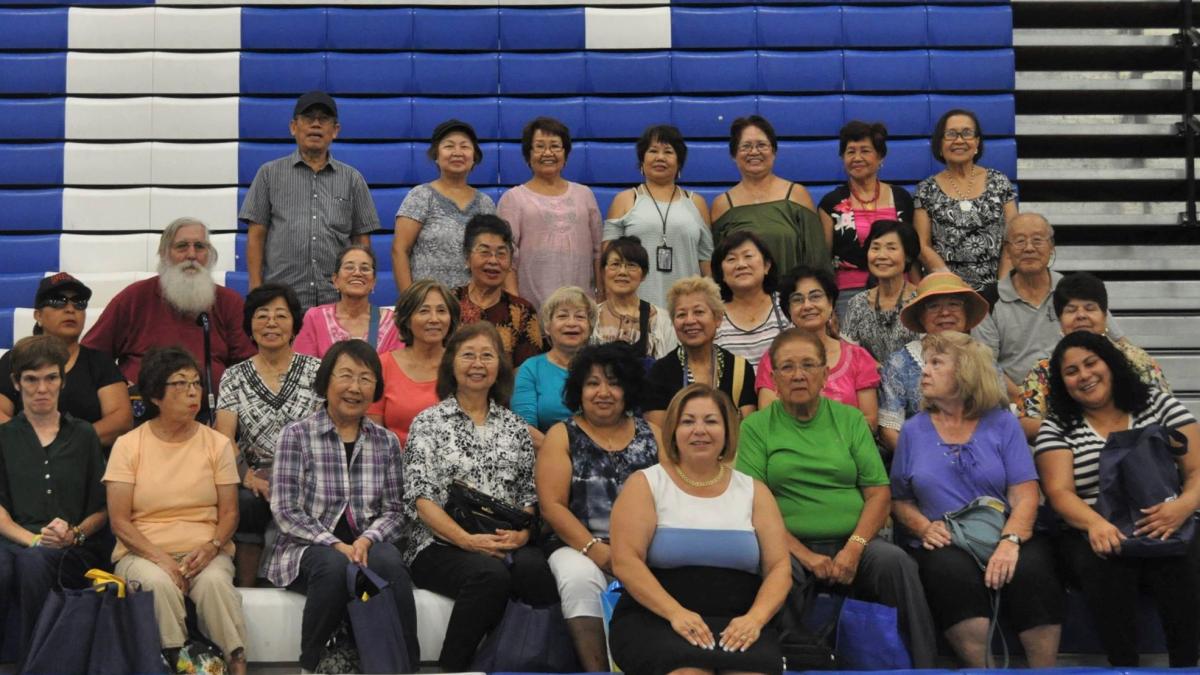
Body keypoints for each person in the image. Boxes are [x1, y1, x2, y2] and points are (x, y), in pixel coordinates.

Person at [738, 329, 937, 667]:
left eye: (808, 365)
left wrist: (854, 548)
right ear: (773, 378)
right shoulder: (757, 426)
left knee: (896, 563)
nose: (798, 375)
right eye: (787, 367)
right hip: (788, 544)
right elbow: (753, 504)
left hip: (853, 541)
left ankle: (922, 666)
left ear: (825, 373)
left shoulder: (849, 420)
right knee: (775, 570)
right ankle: (788, 664)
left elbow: (878, 493)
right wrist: (804, 555)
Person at [891, 331, 1062, 668]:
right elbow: (899, 501)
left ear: (966, 372)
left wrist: (1011, 540)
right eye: (926, 363)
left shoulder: (1003, 424)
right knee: (948, 568)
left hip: (1004, 530)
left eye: (936, 363)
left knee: (1034, 566)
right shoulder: (912, 430)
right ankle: (982, 668)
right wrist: (924, 527)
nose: (924, 371)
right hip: (945, 540)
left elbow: (1025, 493)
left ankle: (1045, 669)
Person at [1035, 330, 1200, 667]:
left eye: (1091, 363)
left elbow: (1197, 468)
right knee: (1107, 564)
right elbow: (1059, 492)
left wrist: (1181, 507)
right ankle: (1123, 666)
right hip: (1093, 524)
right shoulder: (1057, 425)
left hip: (1167, 515)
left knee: (1180, 560)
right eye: (1072, 371)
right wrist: (1095, 524)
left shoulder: (1156, 402)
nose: (1084, 375)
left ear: (1109, 363)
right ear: (1062, 382)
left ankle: (1186, 666)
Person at [402, 322, 559, 672]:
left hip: (505, 538)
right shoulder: (428, 422)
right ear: (451, 365)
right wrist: (467, 540)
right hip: (438, 544)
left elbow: (527, 494)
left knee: (538, 571)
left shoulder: (515, 426)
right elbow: (420, 497)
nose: (478, 363)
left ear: (499, 367)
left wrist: (522, 534)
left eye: (487, 356)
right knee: (489, 575)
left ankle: (521, 664)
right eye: (468, 355)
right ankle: (453, 669)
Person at [608, 384, 791, 674]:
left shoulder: (754, 491)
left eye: (711, 421)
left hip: (739, 621)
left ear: (728, 430)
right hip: (658, 618)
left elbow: (780, 567)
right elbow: (625, 562)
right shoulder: (646, 484)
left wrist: (755, 619)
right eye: (688, 421)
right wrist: (675, 613)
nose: (700, 430)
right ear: (673, 430)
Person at [267, 340, 419, 672]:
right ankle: (311, 664)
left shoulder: (386, 441)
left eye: (365, 379)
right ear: (326, 382)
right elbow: (285, 511)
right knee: (334, 568)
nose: (355, 387)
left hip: (367, 546)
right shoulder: (296, 435)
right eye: (346, 376)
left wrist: (365, 540)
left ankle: (406, 665)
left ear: (376, 388)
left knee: (391, 562)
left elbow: (396, 510)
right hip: (306, 549)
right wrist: (335, 544)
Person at [103, 347, 247, 673]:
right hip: (143, 552)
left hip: (204, 549)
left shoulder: (217, 444)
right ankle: (174, 662)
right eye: (180, 384)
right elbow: (120, 521)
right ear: (155, 394)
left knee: (215, 585)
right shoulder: (129, 445)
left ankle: (237, 663)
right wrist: (160, 557)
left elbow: (229, 514)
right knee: (158, 583)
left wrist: (211, 547)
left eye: (196, 383)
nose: (192, 391)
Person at [535, 342, 663, 671]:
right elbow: (552, 506)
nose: (603, 392)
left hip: (646, 546)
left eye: (613, 382)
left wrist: (632, 554)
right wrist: (595, 549)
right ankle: (597, 670)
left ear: (628, 389)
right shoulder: (562, 435)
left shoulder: (655, 435)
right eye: (592, 383)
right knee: (579, 579)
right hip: (577, 545)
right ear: (579, 390)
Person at [0, 336, 110, 667]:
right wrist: (33, 539)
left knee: (34, 565)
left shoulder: (85, 435)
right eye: (31, 379)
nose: (42, 388)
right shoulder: (4, 437)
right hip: (14, 539)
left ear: (62, 381)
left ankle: (34, 664)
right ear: (16, 383)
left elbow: (103, 508)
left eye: (51, 377)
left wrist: (74, 534)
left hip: (74, 546)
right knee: (6, 566)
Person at [215, 283, 322, 586]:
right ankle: (246, 590)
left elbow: (325, 432)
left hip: (307, 472)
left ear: (294, 325)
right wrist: (246, 475)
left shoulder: (317, 371)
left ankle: (306, 581)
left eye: (280, 316)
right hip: (255, 473)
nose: (271, 323)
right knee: (246, 501)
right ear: (250, 325)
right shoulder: (234, 376)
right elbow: (224, 437)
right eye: (262, 316)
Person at [83, 218, 257, 401]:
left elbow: (250, 366)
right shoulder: (134, 298)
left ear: (210, 255)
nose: (191, 255)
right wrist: (119, 385)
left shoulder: (229, 302)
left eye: (199, 246)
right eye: (182, 246)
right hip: (142, 417)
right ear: (164, 253)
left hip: (211, 418)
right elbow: (91, 357)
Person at [239, 91, 379, 311]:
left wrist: (358, 290)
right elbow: (256, 236)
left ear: (335, 131)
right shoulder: (268, 174)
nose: (316, 124)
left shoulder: (352, 179)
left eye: (323, 119)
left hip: (337, 300)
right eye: (308, 118)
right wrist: (256, 291)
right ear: (293, 127)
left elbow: (362, 240)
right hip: (282, 299)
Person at [974, 214, 1123, 401]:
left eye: (1037, 240)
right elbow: (986, 366)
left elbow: (1118, 341)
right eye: (1019, 241)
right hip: (1017, 403)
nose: (1029, 248)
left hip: (1082, 395)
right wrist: (1029, 401)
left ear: (1051, 246)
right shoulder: (988, 300)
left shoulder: (1073, 289)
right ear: (1007, 250)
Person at [1017, 271, 1169, 440]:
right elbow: (1025, 424)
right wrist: (1083, 433)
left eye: (1090, 308)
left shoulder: (1137, 359)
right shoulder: (1043, 371)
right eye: (1071, 310)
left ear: (1104, 316)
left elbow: (1165, 411)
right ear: (1060, 320)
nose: (1081, 315)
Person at [0, 273, 132, 447]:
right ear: (38, 316)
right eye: (57, 301)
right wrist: (32, 447)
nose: (70, 309)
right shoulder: (14, 359)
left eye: (79, 303)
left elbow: (121, 420)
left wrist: (66, 446)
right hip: (24, 464)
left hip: (86, 465)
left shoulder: (100, 362)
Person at [756, 266, 879, 432]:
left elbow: (870, 421)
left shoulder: (858, 357)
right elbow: (768, 419)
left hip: (845, 452)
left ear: (830, 304)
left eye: (815, 297)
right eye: (797, 299)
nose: (807, 305)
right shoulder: (773, 359)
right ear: (788, 310)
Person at [498, 116, 604, 310]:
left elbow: (598, 252)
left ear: (566, 153)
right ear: (528, 154)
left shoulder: (585, 195)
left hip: (582, 309)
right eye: (539, 146)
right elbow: (506, 256)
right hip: (530, 309)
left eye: (555, 146)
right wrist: (516, 306)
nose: (548, 153)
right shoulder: (512, 199)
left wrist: (601, 300)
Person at [603, 124, 713, 309]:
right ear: (642, 160)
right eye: (653, 151)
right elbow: (608, 259)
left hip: (687, 310)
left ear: (679, 162)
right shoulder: (624, 200)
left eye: (668, 152)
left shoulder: (697, 203)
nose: (660, 157)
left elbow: (707, 261)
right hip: (633, 308)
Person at [878, 272, 991, 452]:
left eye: (954, 304)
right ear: (921, 316)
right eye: (933, 306)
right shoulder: (900, 362)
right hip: (920, 462)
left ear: (965, 312)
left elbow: (998, 422)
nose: (945, 313)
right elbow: (890, 431)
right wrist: (925, 464)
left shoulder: (982, 357)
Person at [710, 115, 830, 280]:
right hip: (740, 301)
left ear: (774, 151)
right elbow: (717, 267)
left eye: (761, 145)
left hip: (792, 301)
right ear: (734, 155)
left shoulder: (797, 195)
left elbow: (817, 259)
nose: (754, 152)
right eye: (746, 146)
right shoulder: (722, 204)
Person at [818, 121, 916, 318]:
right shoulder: (831, 203)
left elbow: (913, 254)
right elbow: (824, 261)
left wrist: (918, 290)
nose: (857, 158)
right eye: (850, 152)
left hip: (901, 291)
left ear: (880, 157)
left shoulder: (902, 198)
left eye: (865, 151)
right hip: (847, 293)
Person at [913, 109, 1019, 290]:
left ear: (977, 142)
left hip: (999, 288)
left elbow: (1014, 237)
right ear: (940, 144)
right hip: (946, 290)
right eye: (951, 134)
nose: (959, 140)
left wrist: (1001, 288)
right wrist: (952, 285)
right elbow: (923, 245)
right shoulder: (926, 190)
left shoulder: (999, 182)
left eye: (967, 133)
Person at [392, 119, 496, 293]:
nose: (457, 152)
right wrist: (409, 302)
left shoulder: (486, 204)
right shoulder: (421, 196)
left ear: (474, 157)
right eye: (449, 146)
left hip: (474, 306)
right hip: (427, 304)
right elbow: (399, 250)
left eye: (464, 147)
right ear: (436, 156)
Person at [643, 277, 756, 427]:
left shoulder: (739, 369)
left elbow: (747, 431)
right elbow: (658, 436)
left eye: (699, 312)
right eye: (681, 314)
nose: (690, 321)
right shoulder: (660, 372)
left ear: (718, 318)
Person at [367, 279, 460, 446]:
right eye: (424, 311)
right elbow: (373, 434)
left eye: (441, 311)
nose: (434, 319)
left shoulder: (462, 365)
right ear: (407, 320)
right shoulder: (383, 365)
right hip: (395, 465)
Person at [454, 214, 543, 368]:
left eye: (501, 253)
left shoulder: (522, 311)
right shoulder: (449, 303)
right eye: (485, 252)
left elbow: (527, 372)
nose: (494, 261)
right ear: (467, 258)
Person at [513, 287, 596, 443]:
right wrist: (561, 455)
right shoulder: (531, 368)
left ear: (590, 328)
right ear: (547, 327)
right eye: (562, 316)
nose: (571, 323)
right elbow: (524, 428)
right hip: (548, 457)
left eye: (580, 317)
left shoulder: (603, 367)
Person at [292, 244, 403, 358]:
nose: (357, 273)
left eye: (365, 269)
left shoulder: (392, 322)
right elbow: (303, 370)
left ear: (374, 282)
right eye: (349, 267)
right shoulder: (315, 318)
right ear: (335, 280)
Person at [840, 220, 922, 361]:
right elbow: (849, 355)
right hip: (869, 381)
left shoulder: (922, 300)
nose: (881, 256)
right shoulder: (858, 303)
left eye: (891, 248)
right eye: (875, 248)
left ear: (908, 256)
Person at [592, 236, 678, 363]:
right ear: (604, 272)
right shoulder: (591, 318)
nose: (622, 272)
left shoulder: (662, 320)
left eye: (631, 265)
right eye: (615, 264)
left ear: (643, 274)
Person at [712, 231, 789, 369]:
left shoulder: (787, 305)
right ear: (721, 273)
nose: (741, 265)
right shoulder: (713, 316)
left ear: (766, 266)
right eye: (731, 259)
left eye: (748, 256)